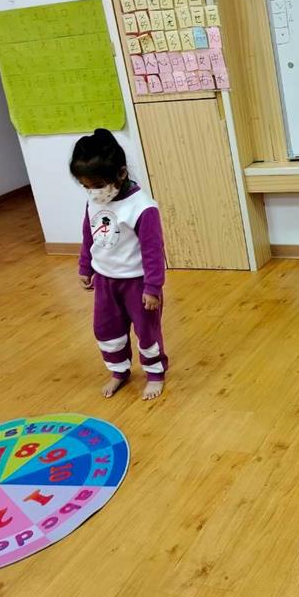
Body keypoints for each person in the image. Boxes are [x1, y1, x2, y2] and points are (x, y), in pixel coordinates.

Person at [70, 129, 167, 400]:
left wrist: (152, 287)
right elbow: (89, 234)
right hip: (105, 280)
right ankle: (119, 370)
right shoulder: (94, 200)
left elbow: (153, 251)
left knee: (146, 331)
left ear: (121, 173)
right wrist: (85, 266)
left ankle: (155, 373)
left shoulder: (142, 207)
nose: (93, 192)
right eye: (86, 186)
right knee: (106, 330)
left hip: (137, 283)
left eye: (98, 185)